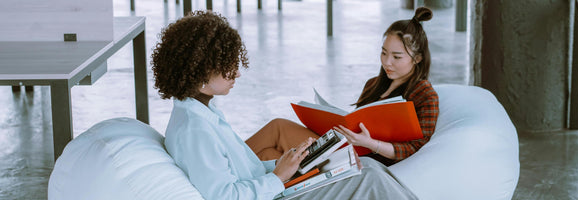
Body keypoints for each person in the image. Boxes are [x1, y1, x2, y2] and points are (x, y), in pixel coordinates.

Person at [153, 10, 417, 200]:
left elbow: (248, 170)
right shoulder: (195, 131)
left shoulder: (204, 114)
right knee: (368, 178)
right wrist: (278, 177)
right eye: (228, 70)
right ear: (200, 74)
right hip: (274, 194)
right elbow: (225, 196)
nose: (237, 75)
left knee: (365, 166)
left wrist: (293, 163)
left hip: (273, 187)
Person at [246, 7, 439, 167]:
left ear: (418, 58)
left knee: (278, 127)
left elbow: (416, 148)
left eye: (397, 57)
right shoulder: (374, 84)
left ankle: (219, 169)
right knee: (267, 154)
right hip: (342, 148)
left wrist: (371, 143)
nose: (387, 62)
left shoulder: (425, 95)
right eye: (383, 53)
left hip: (362, 162)